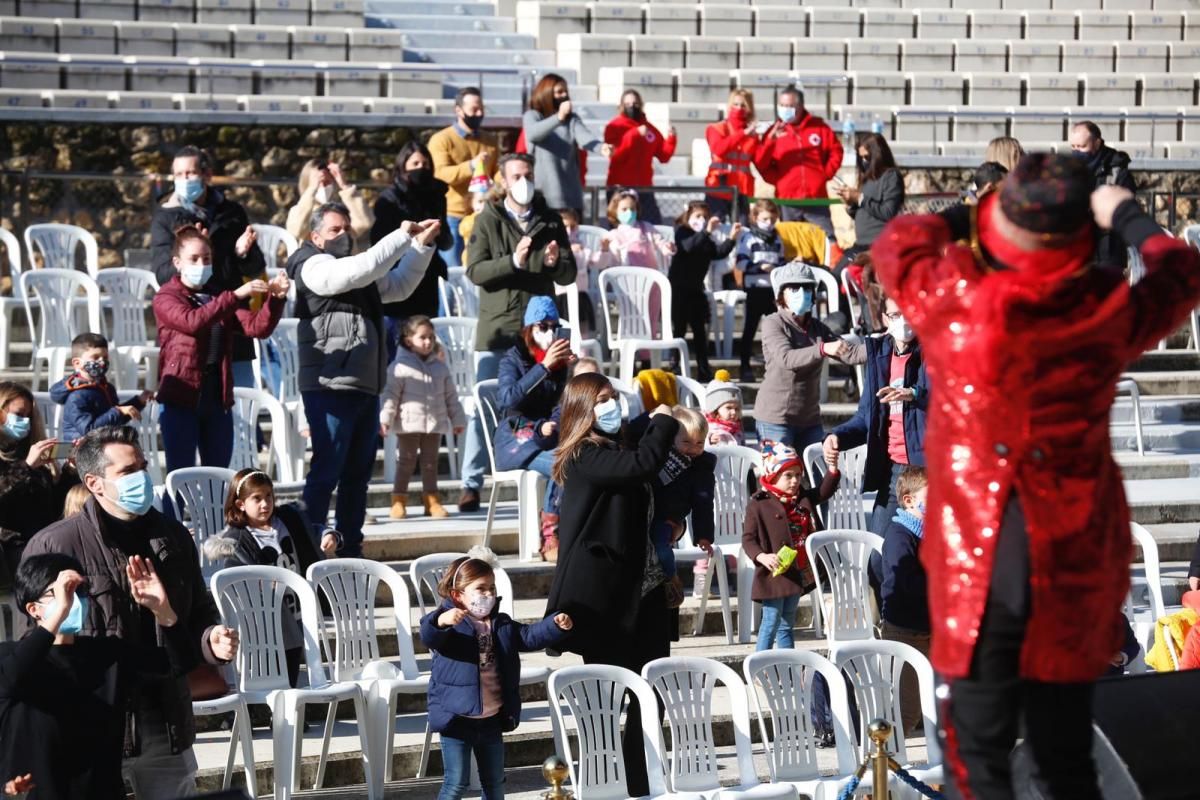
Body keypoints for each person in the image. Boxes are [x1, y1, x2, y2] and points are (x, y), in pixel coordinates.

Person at [871, 154, 1200, 798]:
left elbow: (896, 242)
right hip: (1073, 547)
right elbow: (1182, 271)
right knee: (1065, 743)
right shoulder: (1101, 309)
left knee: (979, 747)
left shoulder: (956, 300)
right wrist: (1125, 216)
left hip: (978, 549)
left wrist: (974, 209)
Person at [22, 425, 240, 797]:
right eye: (127, 471)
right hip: (92, 721)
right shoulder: (55, 544)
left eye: (141, 465)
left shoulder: (172, 536)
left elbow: (198, 611)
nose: (141, 477)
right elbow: (38, 638)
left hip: (164, 716)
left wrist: (211, 638)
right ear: (95, 482)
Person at [545, 374, 678, 796]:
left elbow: (646, 482)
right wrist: (664, 420)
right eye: (601, 400)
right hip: (602, 601)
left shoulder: (620, 447)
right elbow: (642, 463)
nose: (611, 405)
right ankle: (600, 785)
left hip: (646, 590)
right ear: (583, 410)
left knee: (648, 695)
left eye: (613, 397)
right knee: (605, 702)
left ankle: (639, 783)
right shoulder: (583, 455)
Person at [286, 202, 440, 556]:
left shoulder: (359, 270)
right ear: (315, 237)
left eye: (347, 230)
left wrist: (421, 247)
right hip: (330, 387)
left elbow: (399, 286)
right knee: (327, 472)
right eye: (334, 230)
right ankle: (309, 549)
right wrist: (403, 236)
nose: (344, 236)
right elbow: (357, 270)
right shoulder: (311, 265)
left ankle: (350, 549)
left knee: (357, 477)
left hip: (365, 387)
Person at [0, 553, 192, 800]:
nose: (74, 601)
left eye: (80, 591)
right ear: (33, 609)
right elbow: (8, 680)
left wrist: (162, 609)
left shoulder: (105, 654)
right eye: (63, 592)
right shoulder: (11, 658)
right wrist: (58, 613)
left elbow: (179, 663)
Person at [459, 153, 577, 514]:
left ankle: (542, 466)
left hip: (540, 331)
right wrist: (513, 260)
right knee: (488, 407)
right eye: (515, 175)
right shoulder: (489, 219)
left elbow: (568, 274)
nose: (522, 181)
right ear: (503, 180)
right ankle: (471, 482)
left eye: (527, 174)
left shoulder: (550, 219)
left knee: (548, 400)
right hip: (500, 328)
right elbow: (475, 271)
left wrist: (555, 262)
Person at [421, 551, 573, 800]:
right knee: (455, 783)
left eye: (492, 588)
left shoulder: (501, 624)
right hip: (456, 719)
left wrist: (554, 625)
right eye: (480, 588)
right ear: (458, 595)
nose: (488, 594)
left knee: (494, 783)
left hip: (491, 719)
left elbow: (529, 636)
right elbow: (429, 635)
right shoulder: (450, 624)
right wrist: (441, 620)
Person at [153, 227, 287, 474]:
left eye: (207, 259)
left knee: (217, 476)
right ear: (177, 262)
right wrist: (234, 295)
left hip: (216, 396)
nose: (201, 264)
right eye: (194, 259)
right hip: (181, 397)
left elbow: (256, 327)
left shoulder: (217, 296)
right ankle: (175, 514)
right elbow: (192, 322)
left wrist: (276, 300)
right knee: (180, 474)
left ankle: (213, 515)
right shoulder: (166, 297)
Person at [742, 440, 840, 745]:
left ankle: (786, 664)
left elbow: (824, 491)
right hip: (773, 574)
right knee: (771, 620)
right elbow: (748, 539)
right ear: (772, 476)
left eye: (798, 474)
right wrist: (762, 557)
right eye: (788, 475)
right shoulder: (760, 501)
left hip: (796, 572)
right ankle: (758, 666)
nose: (795, 480)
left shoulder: (802, 499)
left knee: (787, 620)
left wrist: (833, 470)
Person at [203, 468, 335, 686]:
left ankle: (291, 708)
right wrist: (260, 584)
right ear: (240, 504)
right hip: (266, 614)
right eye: (257, 498)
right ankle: (269, 709)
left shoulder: (289, 520)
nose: (265, 504)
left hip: (297, 605)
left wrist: (328, 535)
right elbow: (235, 577)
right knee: (275, 659)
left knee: (295, 654)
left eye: (268, 496)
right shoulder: (237, 540)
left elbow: (312, 531)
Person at [150, 145, 267, 388]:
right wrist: (195, 253)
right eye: (179, 174)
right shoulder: (166, 218)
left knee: (242, 406)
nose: (184, 180)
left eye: (190, 173)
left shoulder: (232, 213)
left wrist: (242, 254)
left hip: (232, 322)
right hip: (190, 327)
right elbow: (162, 273)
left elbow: (255, 266)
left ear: (207, 175)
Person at [824, 293, 928, 534]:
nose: (903, 321)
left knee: (920, 556)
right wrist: (837, 436)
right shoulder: (879, 354)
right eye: (895, 315)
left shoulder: (932, 351)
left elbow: (944, 398)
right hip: (893, 471)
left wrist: (914, 394)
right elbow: (866, 418)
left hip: (925, 471)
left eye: (909, 313)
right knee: (877, 558)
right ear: (885, 318)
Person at [494, 297, 574, 561]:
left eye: (554, 326)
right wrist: (542, 368)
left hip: (548, 436)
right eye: (542, 326)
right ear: (529, 328)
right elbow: (507, 399)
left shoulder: (560, 364)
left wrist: (570, 370)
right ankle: (550, 537)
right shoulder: (512, 359)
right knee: (561, 465)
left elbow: (562, 403)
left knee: (582, 459)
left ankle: (577, 532)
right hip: (516, 438)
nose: (549, 333)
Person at [756, 262, 864, 451]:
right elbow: (786, 358)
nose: (802, 292)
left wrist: (888, 342)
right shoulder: (773, 323)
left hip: (809, 420)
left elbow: (851, 354)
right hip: (775, 419)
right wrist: (822, 349)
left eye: (806, 288)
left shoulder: (817, 327)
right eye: (794, 287)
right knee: (780, 477)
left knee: (819, 475)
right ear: (781, 294)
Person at [632, 405, 715, 619]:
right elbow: (635, 433)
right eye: (686, 442)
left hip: (668, 518)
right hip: (641, 515)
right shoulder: (657, 455)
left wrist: (703, 535)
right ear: (671, 438)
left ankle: (671, 579)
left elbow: (703, 503)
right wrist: (653, 415)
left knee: (661, 546)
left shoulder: (701, 468)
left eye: (699, 443)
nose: (693, 449)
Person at [380, 316, 466, 520]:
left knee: (430, 463)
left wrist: (458, 420)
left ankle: (432, 500)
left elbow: (451, 397)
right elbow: (390, 396)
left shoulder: (440, 367)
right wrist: (385, 419)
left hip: (434, 423)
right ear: (409, 340)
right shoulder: (399, 367)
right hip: (409, 424)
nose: (428, 342)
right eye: (422, 337)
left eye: (431, 337)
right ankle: (398, 499)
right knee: (406, 462)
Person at [372, 141, 454, 345]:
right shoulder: (390, 199)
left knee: (422, 339)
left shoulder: (436, 195)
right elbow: (380, 238)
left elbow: (446, 241)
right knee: (396, 337)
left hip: (428, 275)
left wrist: (435, 233)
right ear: (403, 166)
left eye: (425, 164)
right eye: (415, 163)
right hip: (397, 273)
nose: (421, 169)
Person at [879, 466, 931, 735]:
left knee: (938, 702)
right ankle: (885, 760)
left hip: (931, 629)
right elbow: (907, 581)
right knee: (908, 708)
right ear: (910, 500)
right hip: (905, 631)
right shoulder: (900, 535)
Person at [0, 382, 69, 580]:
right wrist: (26, 467)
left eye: (28, 416)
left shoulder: (29, 450)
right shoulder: (27, 459)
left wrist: (68, 473)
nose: (25, 421)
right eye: (19, 414)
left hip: (45, 541)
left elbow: (54, 508)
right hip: (12, 548)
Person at [754, 85, 842, 234]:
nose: (785, 109)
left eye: (790, 106)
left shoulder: (819, 127)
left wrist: (825, 174)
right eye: (782, 105)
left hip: (816, 199)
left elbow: (836, 151)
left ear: (800, 106)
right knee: (791, 243)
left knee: (826, 240)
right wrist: (770, 142)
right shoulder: (773, 131)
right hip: (788, 201)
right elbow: (761, 164)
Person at [669, 201, 740, 382]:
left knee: (700, 331)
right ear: (688, 218)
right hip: (679, 289)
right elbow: (688, 247)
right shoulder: (682, 233)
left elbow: (717, 253)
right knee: (679, 328)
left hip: (696, 290)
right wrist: (706, 231)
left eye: (704, 216)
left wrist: (731, 239)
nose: (702, 220)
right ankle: (674, 365)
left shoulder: (706, 238)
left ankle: (703, 368)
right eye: (697, 216)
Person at [522, 74, 612, 215]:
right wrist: (558, 118)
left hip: (570, 198)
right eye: (559, 92)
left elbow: (584, 138)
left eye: (565, 91)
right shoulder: (533, 116)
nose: (564, 95)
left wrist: (601, 147)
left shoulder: (572, 120)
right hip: (543, 197)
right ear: (546, 93)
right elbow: (533, 134)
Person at [429, 86, 499, 265]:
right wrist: (471, 165)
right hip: (453, 215)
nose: (479, 113)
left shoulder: (490, 140)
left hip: (482, 214)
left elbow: (497, 172)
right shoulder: (441, 139)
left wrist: (500, 185)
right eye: (474, 109)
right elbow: (440, 174)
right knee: (453, 271)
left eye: (481, 108)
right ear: (459, 110)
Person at [50, 333, 154, 443]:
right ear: (77, 363)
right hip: (82, 453)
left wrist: (138, 401)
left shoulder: (106, 388)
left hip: (102, 447)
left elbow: (114, 419)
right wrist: (119, 411)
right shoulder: (77, 396)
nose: (102, 361)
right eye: (95, 357)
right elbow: (88, 430)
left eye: (105, 357)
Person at [1069, 120, 1138, 270]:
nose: (1077, 152)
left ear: (1097, 143)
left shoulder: (1118, 172)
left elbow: (1125, 210)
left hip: (1108, 251)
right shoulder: (1069, 171)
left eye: (1082, 146)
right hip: (1076, 251)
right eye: (1073, 147)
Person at [604, 89, 677, 224]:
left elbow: (663, 156)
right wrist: (634, 134)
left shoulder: (649, 128)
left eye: (635, 103)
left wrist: (671, 139)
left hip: (644, 188)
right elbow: (616, 155)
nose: (632, 107)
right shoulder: (614, 127)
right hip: (620, 187)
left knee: (652, 226)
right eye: (628, 104)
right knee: (620, 229)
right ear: (621, 106)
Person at [835, 133, 904, 272]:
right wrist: (851, 203)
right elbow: (865, 213)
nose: (864, 162)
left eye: (867, 157)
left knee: (838, 276)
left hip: (877, 245)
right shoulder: (867, 179)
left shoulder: (890, 176)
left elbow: (888, 212)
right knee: (837, 276)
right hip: (861, 243)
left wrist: (860, 198)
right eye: (861, 158)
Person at [735, 199, 787, 381]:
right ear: (755, 217)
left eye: (773, 219)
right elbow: (741, 263)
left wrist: (781, 267)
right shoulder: (748, 238)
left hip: (772, 291)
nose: (769, 223)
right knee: (750, 329)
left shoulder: (778, 238)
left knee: (779, 329)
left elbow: (781, 261)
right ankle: (744, 366)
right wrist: (760, 267)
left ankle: (778, 366)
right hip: (755, 289)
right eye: (765, 219)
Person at [285, 158, 372, 243]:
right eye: (318, 183)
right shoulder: (299, 210)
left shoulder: (345, 209)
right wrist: (312, 189)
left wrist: (344, 186)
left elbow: (364, 222)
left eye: (327, 182)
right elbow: (296, 231)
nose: (323, 186)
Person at [705, 88, 760, 223]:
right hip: (719, 188)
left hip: (742, 190)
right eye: (735, 104)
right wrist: (743, 134)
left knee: (743, 230)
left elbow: (760, 161)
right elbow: (718, 149)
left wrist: (770, 139)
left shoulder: (752, 134)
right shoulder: (716, 128)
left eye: (743, 105)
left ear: (749, 109)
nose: (739, 108)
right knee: (717, 230)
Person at [604, 189, 675, 268]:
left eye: (632, 209)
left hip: (650, 276)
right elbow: (612, 263)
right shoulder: (614, 235)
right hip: (626, 278)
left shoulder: (646, 228)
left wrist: (667, 247)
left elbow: (660, 242)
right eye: (624, 209)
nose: (629, 212)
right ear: (615, 211)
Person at [703, 370, 745, 447]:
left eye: (737, 409)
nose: (734, 412)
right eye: (728, 408)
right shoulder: (709, 428)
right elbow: (700, 443)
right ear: (715, 409)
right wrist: (710, 440)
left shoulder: (737, 428)